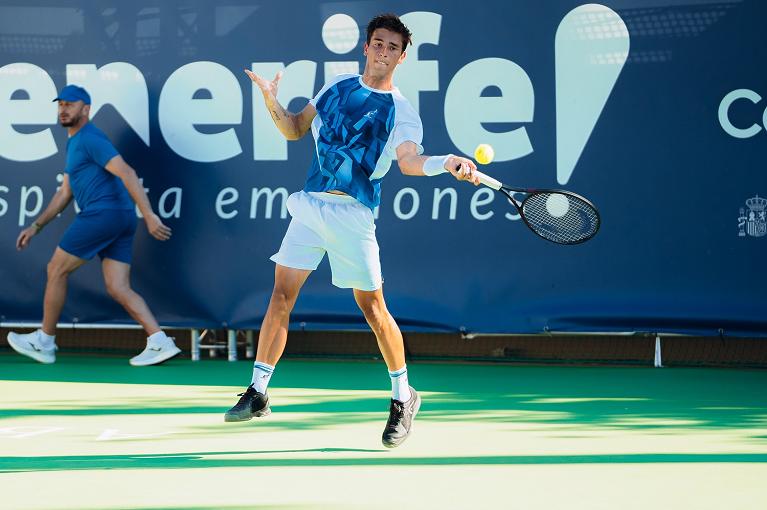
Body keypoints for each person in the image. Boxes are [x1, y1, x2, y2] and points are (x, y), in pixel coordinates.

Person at [224, 13, 480, 448]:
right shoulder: (335, 87)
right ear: (366, 47)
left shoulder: (402, 112)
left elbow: (408, 162)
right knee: (281, 295)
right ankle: (259, 392)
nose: (383, 52)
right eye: (377, 44)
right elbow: (293, 128)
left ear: (402, 57)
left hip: (353, 217)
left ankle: (404, 397)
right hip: (310, 207)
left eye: (392, 48)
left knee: (374, 311)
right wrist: (270, 99)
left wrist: (445, 163)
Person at [6, 85, 181, 367]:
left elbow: (127, 172)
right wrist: (36, 226)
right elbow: (65, 193)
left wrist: (149, 215)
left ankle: (45, 341)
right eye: (60, 104)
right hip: (120, 218)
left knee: (56, 269)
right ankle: (159, 341)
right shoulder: (74, 142)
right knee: (118, 286)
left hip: (103, 214)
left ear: (85, 109)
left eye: (70, 104)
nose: (64, 109)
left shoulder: (90, 138)